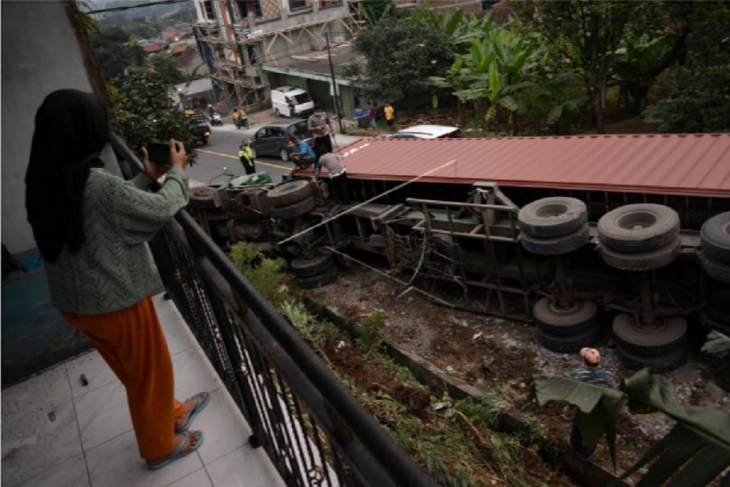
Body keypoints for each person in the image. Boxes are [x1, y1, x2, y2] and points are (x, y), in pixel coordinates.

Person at [25, 89, 209, 471]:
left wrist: (145, 177)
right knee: (149, 374)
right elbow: (160, 209)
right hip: (114, 302)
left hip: (77, 304)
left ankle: (171, 412)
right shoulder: (93, 182)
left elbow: (102, 211)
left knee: (136, 373)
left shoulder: (46, 180)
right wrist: (176, 172)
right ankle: (160, 447)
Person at [569, 347, 615, 457]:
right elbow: (612, 392)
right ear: (599, 360)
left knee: (578, 428)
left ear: (584, 361)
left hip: (583, 406)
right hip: (598, 408)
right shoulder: (608, 376)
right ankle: (588, 453)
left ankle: (575, 449)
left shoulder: (577, 375)